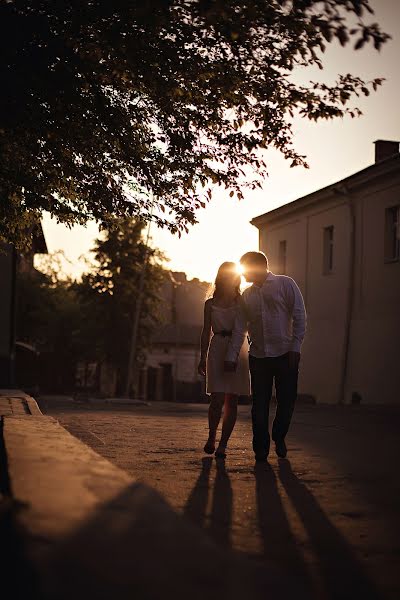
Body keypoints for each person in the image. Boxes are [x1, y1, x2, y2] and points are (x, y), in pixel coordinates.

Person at [225, 251, 306, 461]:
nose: (242, 274)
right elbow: (239, 328)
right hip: (259, 356)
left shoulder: (285, 284)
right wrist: (231, 356)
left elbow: (299, 315)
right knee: (259, 404)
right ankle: (260, 449)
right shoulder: (247, 296)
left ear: (258, 266)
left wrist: (295, 347)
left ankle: (279, 437)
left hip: (285, 354)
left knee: (286, 401)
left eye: (245, 268)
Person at [198, 262, 250, 459]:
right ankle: (211, 436)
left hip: (237, 348)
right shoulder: (209, 304)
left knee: (232, 400)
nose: (230, 279)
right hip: (217, 346)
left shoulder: (241, 302)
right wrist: (202, 356)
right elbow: (205, 331)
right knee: (216, 399)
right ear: (220, 278)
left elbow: (245, 327)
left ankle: (223, 444)